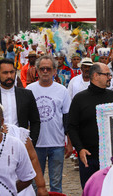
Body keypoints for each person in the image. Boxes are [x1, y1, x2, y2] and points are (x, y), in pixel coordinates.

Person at [68, 63, 113, 188]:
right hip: (89, 157)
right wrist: (79, 149)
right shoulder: (79, 99)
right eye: (107, 74)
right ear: (96, 76)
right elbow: (72, 126)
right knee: (90, 190)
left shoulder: (112, 96)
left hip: (111, 156)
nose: (110, 77)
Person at [26, 55, 73, 193]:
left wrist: (69, 143)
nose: (45, 71)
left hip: (57, 144)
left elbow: (67, 118)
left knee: (56, 184)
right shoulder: (29, 90)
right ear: (37, 71)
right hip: (35, 145)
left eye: (48, 68)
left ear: (54, 71)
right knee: (35, 184)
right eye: (42, 68)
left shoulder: (62, 90)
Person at [0, 58, 40, 146]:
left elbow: (35, 121)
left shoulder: (26, 95)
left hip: (21, 144)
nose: (9, 76)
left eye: (12, 72)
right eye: (5, 73)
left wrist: (31, 142)